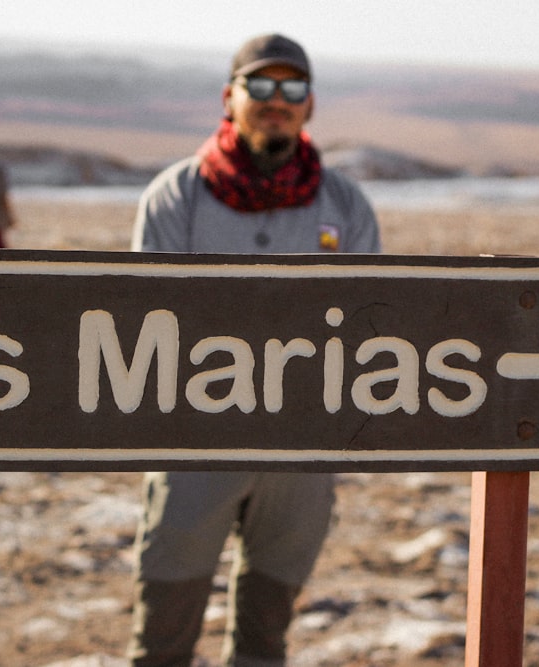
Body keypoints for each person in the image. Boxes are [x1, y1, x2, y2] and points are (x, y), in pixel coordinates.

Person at [127, 34, 381, 667]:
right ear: (229, 97)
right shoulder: (175, 197)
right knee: (162, 640)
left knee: (266, 642)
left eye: (292, 88)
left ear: (310, 104)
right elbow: (144, 323)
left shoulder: (345, 206)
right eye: (260, 86)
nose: (277, 101)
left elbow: (372, 327)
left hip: (301, 455)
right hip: (194, 448)